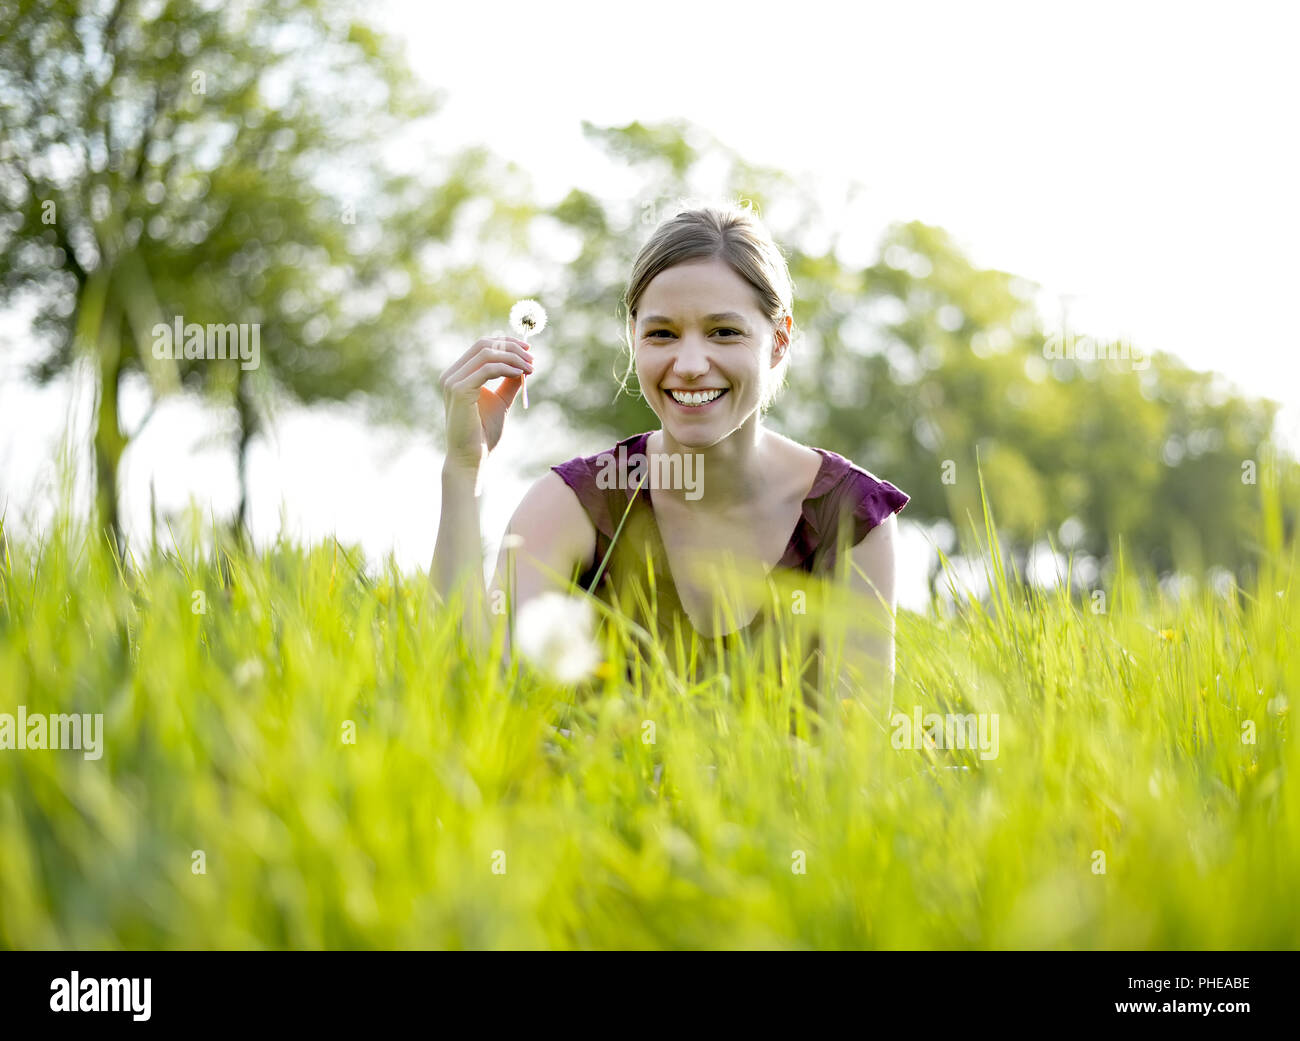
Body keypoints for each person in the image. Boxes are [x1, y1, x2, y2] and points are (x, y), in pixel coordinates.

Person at [433, 200, 909, 733]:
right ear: (633, 336)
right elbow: (475, 682)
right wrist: (463, 469)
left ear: (778, 341)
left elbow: (858, 753)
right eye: (662, 334)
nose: (688, 365)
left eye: (724, 332)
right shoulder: (579, 502)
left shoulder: (849, 516)